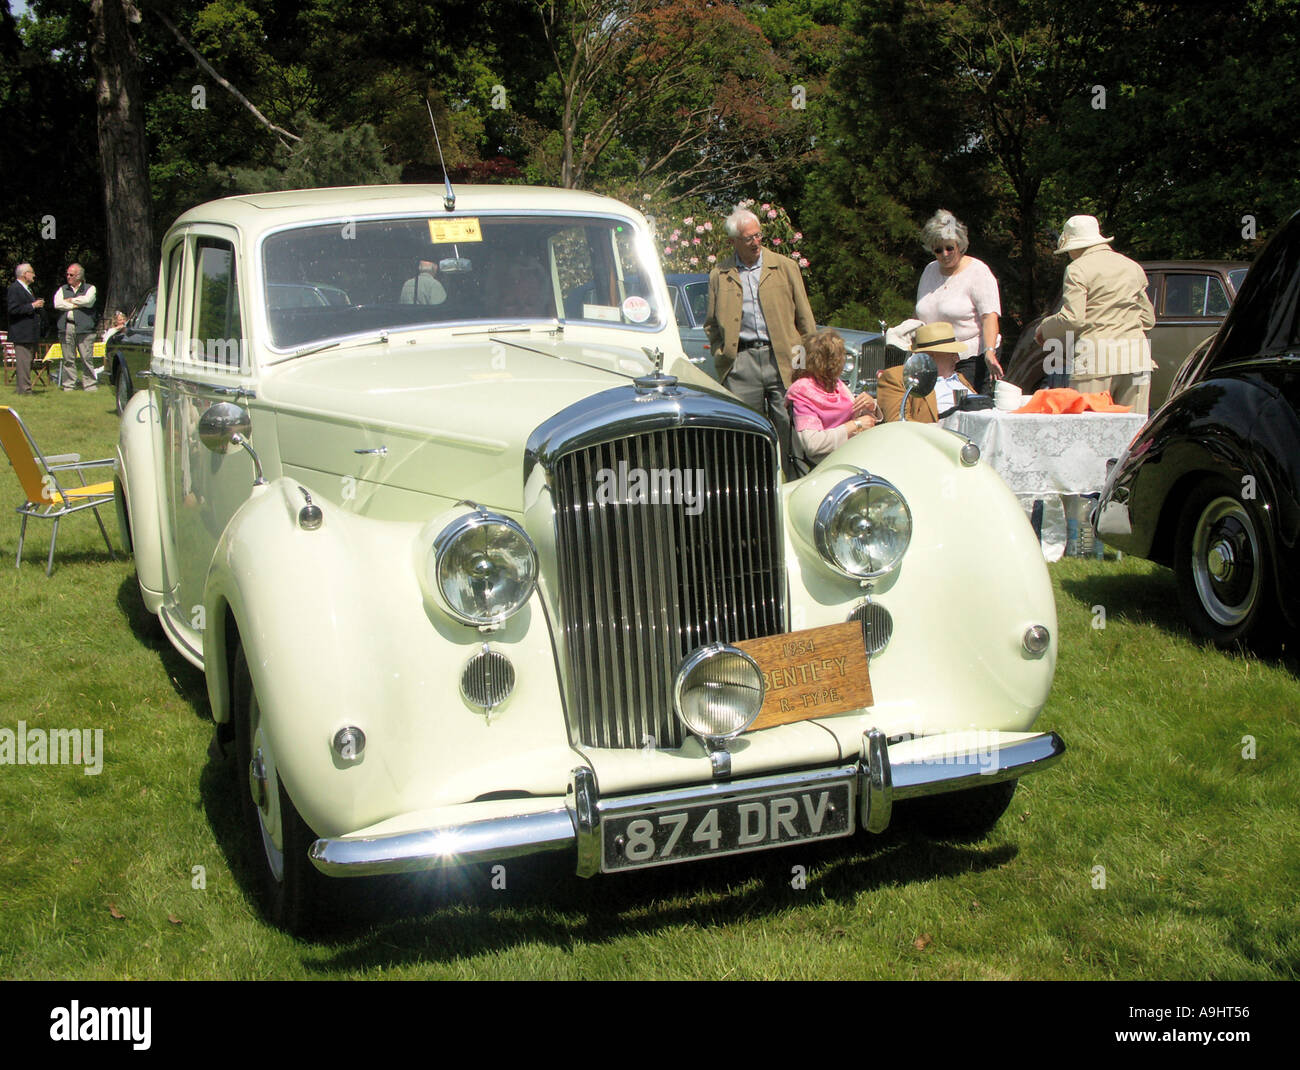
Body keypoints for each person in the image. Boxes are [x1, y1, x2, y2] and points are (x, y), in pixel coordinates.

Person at [704, 205, 816, 475]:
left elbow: (806, 323)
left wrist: (802, 367)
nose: (756, 242)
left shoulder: (785, 267)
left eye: (758, 236)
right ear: (733, 242)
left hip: (783, 361)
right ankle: (753, 491)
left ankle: (792, 486)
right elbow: (711, 325)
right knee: (745, 433)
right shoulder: (720, 275)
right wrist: (724, 357)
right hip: (741, 363)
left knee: (789, 429)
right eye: (748, 238)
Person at [1035, 214, 1156, 415]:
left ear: (1074, 246)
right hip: (1138, 359)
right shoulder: (1132, 267)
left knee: (1087, 431)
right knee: (1133, 433)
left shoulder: (1077, 269)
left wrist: (1044, 329)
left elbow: (1073, 318)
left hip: (1095, 360)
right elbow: (1148, 319)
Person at [915, 209, 1003, 390]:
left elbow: (989, 316)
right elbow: (922, 313)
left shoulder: (978, 271)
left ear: (960, 245)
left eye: (949, 248)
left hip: (970, 359)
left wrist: (989, 351)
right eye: (938, 250)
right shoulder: (929, 271)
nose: (944, 254)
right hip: (934, 361)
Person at [786, 330, 881, 464]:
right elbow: (813, 445)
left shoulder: (836, 385)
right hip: (824, 464)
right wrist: (855, 425)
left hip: (853, 453)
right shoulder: (803, 393)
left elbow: (855, 414)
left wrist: (872, 406)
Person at [876, 321, 975, 423]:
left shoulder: (960, 378)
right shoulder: (899, 378)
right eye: (952, 354)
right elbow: (898, 422)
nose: (957, 359)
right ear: (930, 356)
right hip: (940, 435)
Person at [53, 262, 97, 391]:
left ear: (79, 276)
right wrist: (78, 303)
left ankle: (89, 385)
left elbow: (88, 301)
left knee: (86, 358)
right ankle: (69, 385)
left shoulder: (90, 288)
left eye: (71, 274)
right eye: (67, 274)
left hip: (85, 329)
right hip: (66, 328)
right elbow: (57, 304)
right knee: (68, 359)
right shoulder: (62, 289)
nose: (68, 276)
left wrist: (70, 301)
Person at [6, 263, 44, 395]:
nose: (34, 275)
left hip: (30, 333)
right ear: (24, 274)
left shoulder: (27, 289)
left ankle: (24, 388)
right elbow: (13, 309)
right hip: (21, 334)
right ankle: (24, 390)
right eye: (32, 272)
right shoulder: (15, 288)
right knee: (23, 363)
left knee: (27, 363)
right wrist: (33, 306)